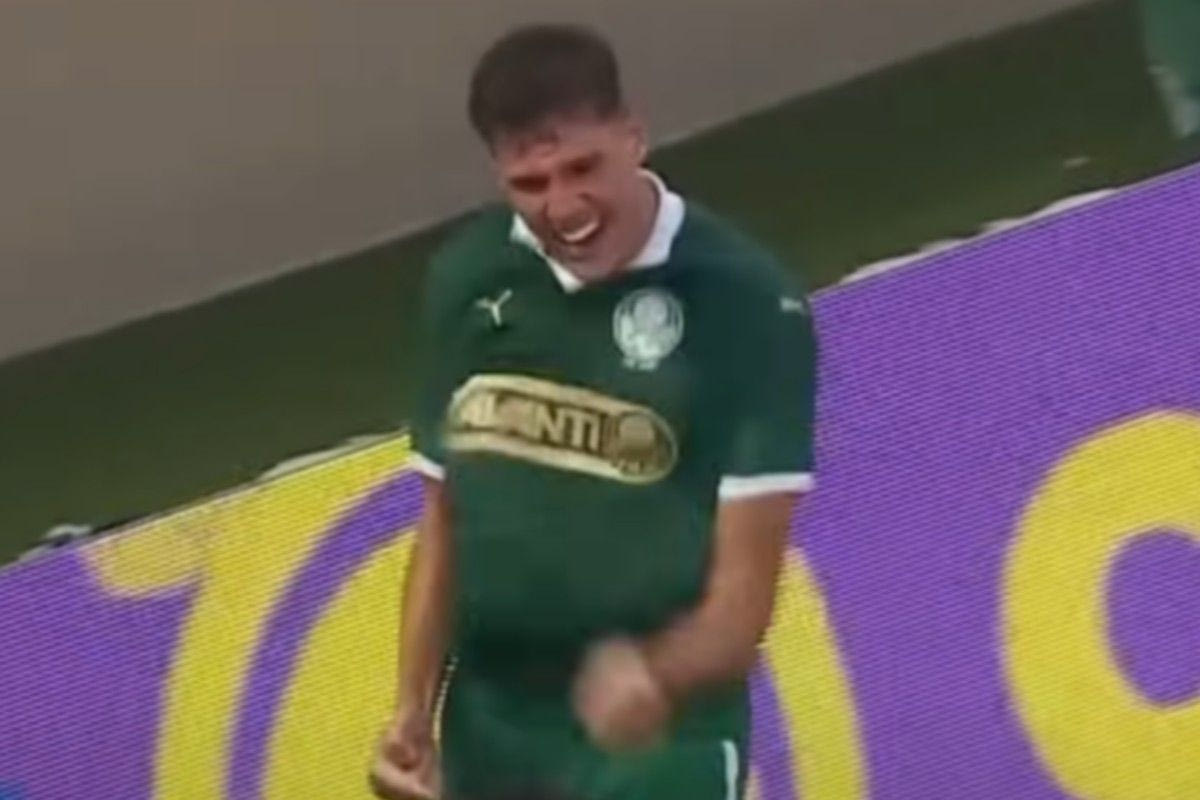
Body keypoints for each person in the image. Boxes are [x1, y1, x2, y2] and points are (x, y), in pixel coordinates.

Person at [370, 23, 818, 800]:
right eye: (530, 183)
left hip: (658, 733)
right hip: (490, 726)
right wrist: (411, 710)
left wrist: (654, 673)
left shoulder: (747, 303)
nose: (564, 207)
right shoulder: (468, 280)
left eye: (582, 168)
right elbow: (444, 518)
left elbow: (743, 605)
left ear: (633, 137)